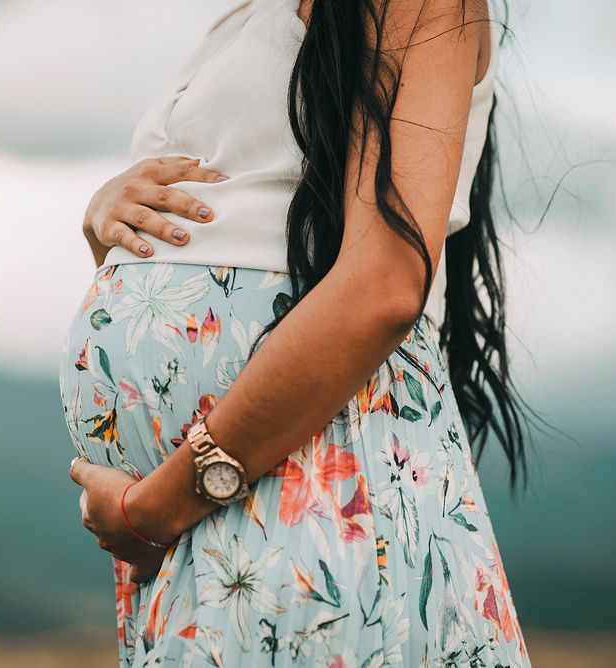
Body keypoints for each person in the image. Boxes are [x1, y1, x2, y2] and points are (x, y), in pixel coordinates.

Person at [60, 0, 536, 665]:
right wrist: (108, 229)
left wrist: (158, 507)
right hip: (207, 519)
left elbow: (383, 285)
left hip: (311, 486)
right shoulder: (239, 20)